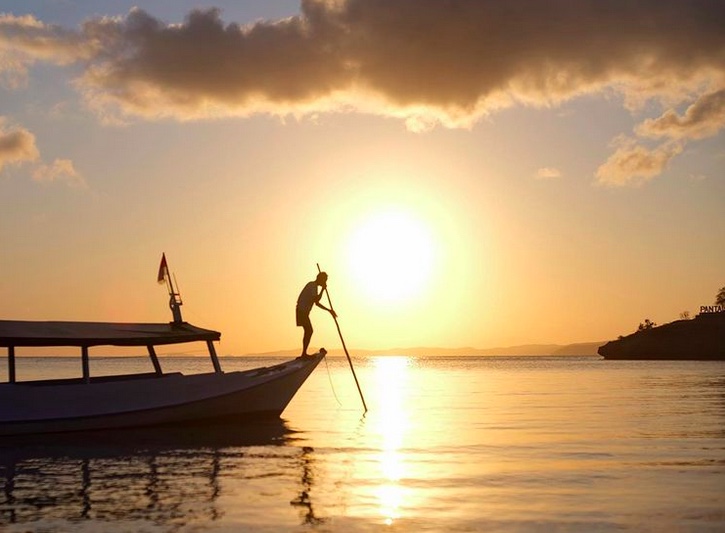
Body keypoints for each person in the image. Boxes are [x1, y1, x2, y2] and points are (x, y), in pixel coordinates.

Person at [296, 271, 336, 357]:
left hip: (303, 312)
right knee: (309, 331)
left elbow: (317, 302)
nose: (325, 282)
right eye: (324, 280)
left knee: (308, 331)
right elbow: (317, 301)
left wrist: (329, 310)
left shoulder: (314, 287)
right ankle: (304, 354)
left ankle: (304, 353)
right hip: (301, 311)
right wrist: (323, 290)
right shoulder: (312, 286)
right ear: (320, 279)